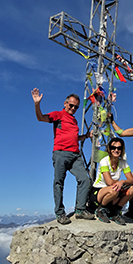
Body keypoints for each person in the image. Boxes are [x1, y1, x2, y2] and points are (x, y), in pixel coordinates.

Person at [31, 88, 95, 225]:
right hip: (60, 153)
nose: (73, 108)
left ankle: (80, 210)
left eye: (76, 107)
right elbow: (41, 118)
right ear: (65, 103)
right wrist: (37, 104)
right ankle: (60, 213)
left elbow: (73, 137)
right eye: (71, 105)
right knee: (59, 183)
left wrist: (85, 136)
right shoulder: (58, 115)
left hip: (75, 155)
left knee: (85, 179)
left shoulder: (74, 121)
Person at [88, 138, 133, 225]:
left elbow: (132, 180)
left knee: (132, 189)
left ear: (122, 150)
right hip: (98, 191)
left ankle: (115, 212)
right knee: (114, 189)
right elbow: (109, 181)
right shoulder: (104, 161)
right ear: (109, 149)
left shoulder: (123, 163)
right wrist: (120, 183)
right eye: (113, 147)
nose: (116, 150)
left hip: (114, 191)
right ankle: (101, 209)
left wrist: (122, 182)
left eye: (119, 148)